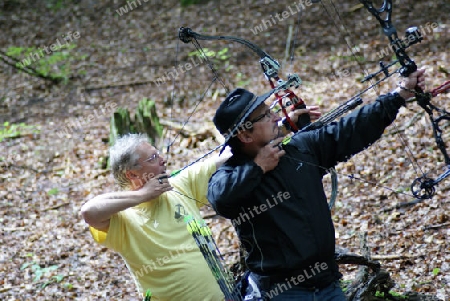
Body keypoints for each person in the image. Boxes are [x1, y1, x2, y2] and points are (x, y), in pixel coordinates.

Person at [207, 69, 426, 300]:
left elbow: (351, 129)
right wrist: (258, 167)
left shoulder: (299, 148)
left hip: (327, 284)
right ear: (245, 136)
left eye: (270, 111)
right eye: (264, 116)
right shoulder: (231, 176)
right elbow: (220, 198)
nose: (274, 117)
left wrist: (399, 94)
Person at [80, 107, 319, 301]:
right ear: (132, 174)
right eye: (153, 158)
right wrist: (143, 195)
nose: (163, 159)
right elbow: (89, 211)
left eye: (158, 153)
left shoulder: (178, 185)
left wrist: (283, 127)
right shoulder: (123, 218)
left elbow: (228, 156)